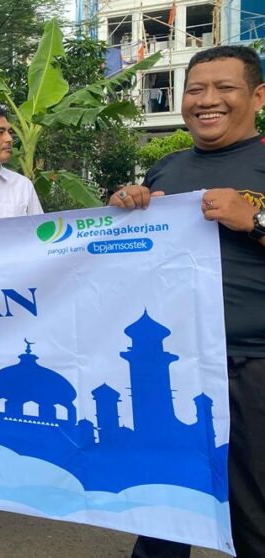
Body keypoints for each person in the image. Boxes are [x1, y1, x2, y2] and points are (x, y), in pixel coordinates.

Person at [108, 45, 265, 558]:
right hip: (181, 365)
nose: (207, 101)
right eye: (195, 89)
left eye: (224, 89)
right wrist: (124, 216)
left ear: (258, 96)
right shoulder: (166, 171)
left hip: (253, 366)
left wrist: (255, 220)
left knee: (253, 509)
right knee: (166, 506)